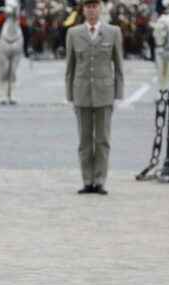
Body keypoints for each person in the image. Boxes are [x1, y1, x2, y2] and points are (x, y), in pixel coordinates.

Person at [65, 0, 123, 195]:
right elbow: (70, 67)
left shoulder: (113, 32)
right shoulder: (73, 33)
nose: (91, 10)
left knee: (103, 140)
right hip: (81, 93)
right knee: (84, 140)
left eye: (94, 6)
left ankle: (100, 181)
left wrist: (119, 94)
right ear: (83, 10)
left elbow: (119, 66)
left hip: (104, 93)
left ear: (100, 9)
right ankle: (87, 180)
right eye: (88, 7)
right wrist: (69, 95)